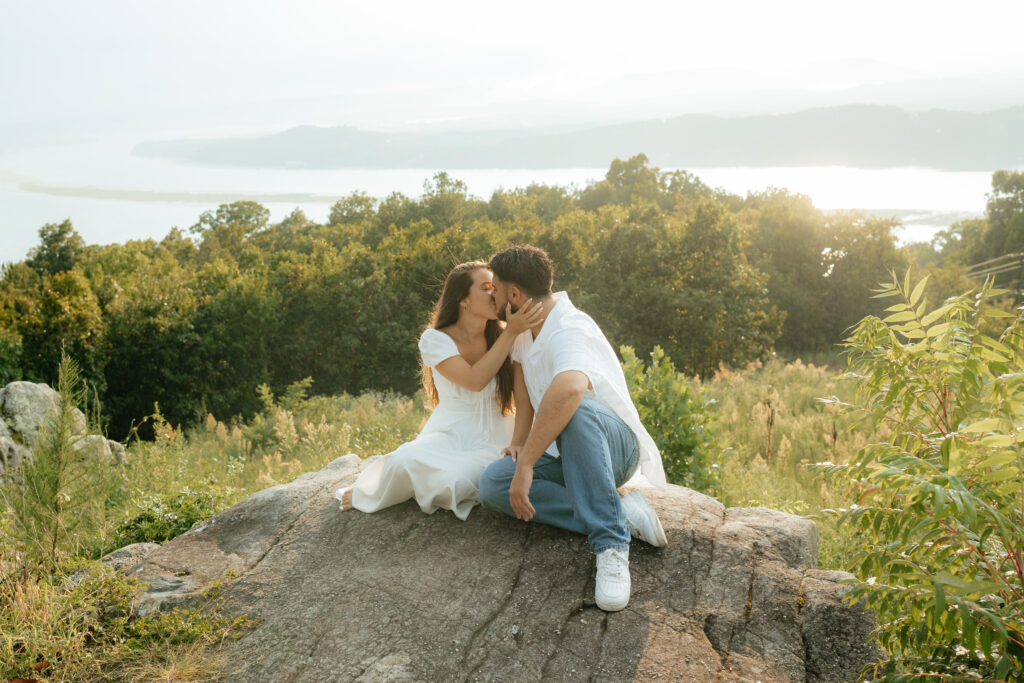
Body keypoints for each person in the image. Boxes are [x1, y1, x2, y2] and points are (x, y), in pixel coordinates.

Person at [478, 244, 668, 612]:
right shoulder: (522, 331)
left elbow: (568, 390)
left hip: (612, 448)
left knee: (574, 409)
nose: (493, 297)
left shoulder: (571, 326)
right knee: (493, 484)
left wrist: (527, 465)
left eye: (495, 290)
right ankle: (621, 513)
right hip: (562, 453)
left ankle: (611, 543)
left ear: (514, 294)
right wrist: (519, 446)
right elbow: (525, 398)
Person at [336, 260, 542, 520]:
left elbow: (523, 399)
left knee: (455, 480)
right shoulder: (435, 340)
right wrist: (510, 333)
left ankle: (421, 484)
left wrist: (518, 443)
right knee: (402, 461)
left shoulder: (510, 335)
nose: (494, 293)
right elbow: (474, 380)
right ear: (463, 300)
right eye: (485, 287)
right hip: (448, 432)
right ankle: (377, 489)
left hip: (495, 436)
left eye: (495, 287)